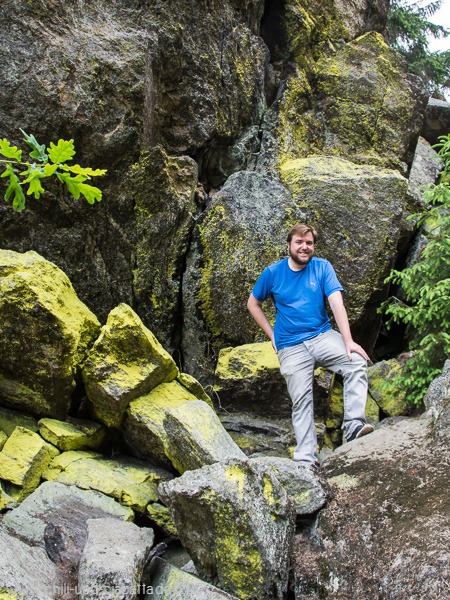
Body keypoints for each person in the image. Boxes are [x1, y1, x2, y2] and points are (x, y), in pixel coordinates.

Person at [247, 222, 374, 469]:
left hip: (322, 336)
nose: (304, 247)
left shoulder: (322, 267)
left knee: (357, 361)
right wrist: (272, 336)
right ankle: (306, 459)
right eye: (299, 242)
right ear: (289, 245)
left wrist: (348, 341)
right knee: (302, 399)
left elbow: (336, 303)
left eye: (309, 243)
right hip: (290, 346)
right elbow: (253, 304)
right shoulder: (273, 273)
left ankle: (353, 426)